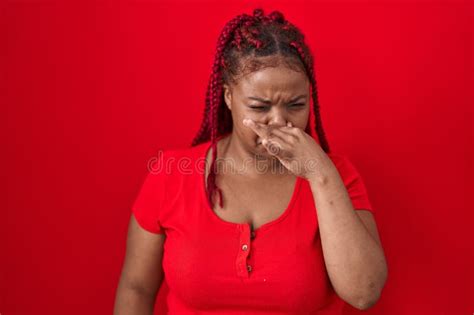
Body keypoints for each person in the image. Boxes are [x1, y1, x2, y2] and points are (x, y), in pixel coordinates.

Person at [114, 8, 388, 315]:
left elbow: (364, 293)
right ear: (229, 97)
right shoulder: (172, 174)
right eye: (259, 107)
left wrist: (320, 174)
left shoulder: (336, 176)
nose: (279, 122)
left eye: (296, 105)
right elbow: (136, 288)